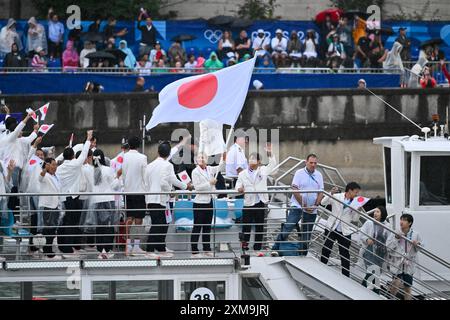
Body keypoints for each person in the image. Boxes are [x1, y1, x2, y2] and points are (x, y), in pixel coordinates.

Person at [144, 141, 192, 257]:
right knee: (158, 225)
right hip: (160, 199)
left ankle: (160, 248)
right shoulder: (168, 165)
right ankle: (149, 250)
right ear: (169, 153)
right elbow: (167, 181)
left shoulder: (150, 165)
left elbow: (146, 183)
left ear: (158, 152)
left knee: (160, 224)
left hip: (151, 198)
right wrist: (175, 190)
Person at [272, 154, 324, 256]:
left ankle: (303, 253)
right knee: (288, 226)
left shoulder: (319, 175)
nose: (313, 165)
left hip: (312, 209)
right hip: (298, 206)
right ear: (306, 162)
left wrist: (316, 205)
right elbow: (295, 190)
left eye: (315, 163)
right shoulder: (299, 173)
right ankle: (275, 248)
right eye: (311, 162)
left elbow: (321, 191)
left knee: (307, 233)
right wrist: (303, 204)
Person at [56, 130, 93, 259]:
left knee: (64, 223)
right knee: (71, 223)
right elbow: (83, 155)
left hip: (62, 198)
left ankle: (63, 247)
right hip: (71, 198)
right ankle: (67, 249)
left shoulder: (59, 168)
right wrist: (88, 138)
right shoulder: (74, 164)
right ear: (72, 156)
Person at [236, 145, 276, 256]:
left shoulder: (263, 170)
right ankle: (244, 247)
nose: (251, 161)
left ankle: (257, 249)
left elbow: (273, 165)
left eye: (254, 159)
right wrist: (239, 189)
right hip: (248, 202)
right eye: (250, 159)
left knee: (259, 226)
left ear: (258, 162)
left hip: (260, 202)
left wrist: (270, 153)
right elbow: (237, 185)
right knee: (246, 226)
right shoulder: (242, 173)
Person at [320, 182, 362, 277]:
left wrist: (357, 210)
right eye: (356, 192)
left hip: (345, 230)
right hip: (332, 226)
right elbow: (323, 203)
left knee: (345, 253)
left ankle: (346, 275)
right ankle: (321, 267)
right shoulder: (337, 196)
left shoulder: (356, 202)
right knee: (326, 247)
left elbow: (355, 219)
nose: (357, 194)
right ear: (350, 190)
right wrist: (330, 194)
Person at [190, 152, 226, 257]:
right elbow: (197, 187)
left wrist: (223, 159)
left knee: (207, 227)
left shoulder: (209, 169)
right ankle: (194, 251)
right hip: (199, 203)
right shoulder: (195, 171)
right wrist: (210, 183)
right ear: (196, 160)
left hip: (209, 201)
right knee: (197, 227)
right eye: (199, 157)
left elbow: (220, 167)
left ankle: (206, 249)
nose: (202, 159)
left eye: (204, 157)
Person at [91, 149, 121, 259]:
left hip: (95, 201)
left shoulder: (91, 170)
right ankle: (107, 250)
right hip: (108, 200)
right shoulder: (108, 170)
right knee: (109, 226)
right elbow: (115, 186)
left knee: (99, 227)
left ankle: (100, 250)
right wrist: (117, 177)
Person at [121, 136, 147, 256]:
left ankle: (128, 245)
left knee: (129, 218)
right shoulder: (143, 157)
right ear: (138, 145)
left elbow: (124, 174)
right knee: (139, 219)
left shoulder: (124, 157)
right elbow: (144, 175)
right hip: (139, 191)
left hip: (128, 191)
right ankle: (136, 246)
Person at [388, 213, 423, 300]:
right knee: (396, 283)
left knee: (407, 287)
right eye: (401, 219)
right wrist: (396, 238)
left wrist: (417, 244)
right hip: (397, 262)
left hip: (409, 264)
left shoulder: (416, 234)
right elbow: (388, 247)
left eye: (404, 220)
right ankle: (391, 298)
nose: (401, 222)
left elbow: (421, 247)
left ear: (410, 223)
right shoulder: (395, 232)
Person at [360, 206, 390, 292]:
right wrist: (366, 239)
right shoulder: (369, 223)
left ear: (382, 214)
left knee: (375, 273)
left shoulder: (387, 226)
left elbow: (390, 239)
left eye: (377, 212)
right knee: (372, 271)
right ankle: (371, 291)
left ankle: (371, 291)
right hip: (369, 250)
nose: (375, 213)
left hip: (380, 253)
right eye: (375, 211)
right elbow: (361, 234)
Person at [38, 157, 62, 260]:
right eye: (52, 164)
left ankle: (48, 250)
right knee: (48, 230)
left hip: (55, 205)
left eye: (55, 165)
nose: (54, 167)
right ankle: (48, 252)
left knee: (52, 230)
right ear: (47, 165)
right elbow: (40, 178)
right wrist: (44, 169)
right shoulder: (45, 175)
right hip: (48, 206)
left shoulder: (56, 176)